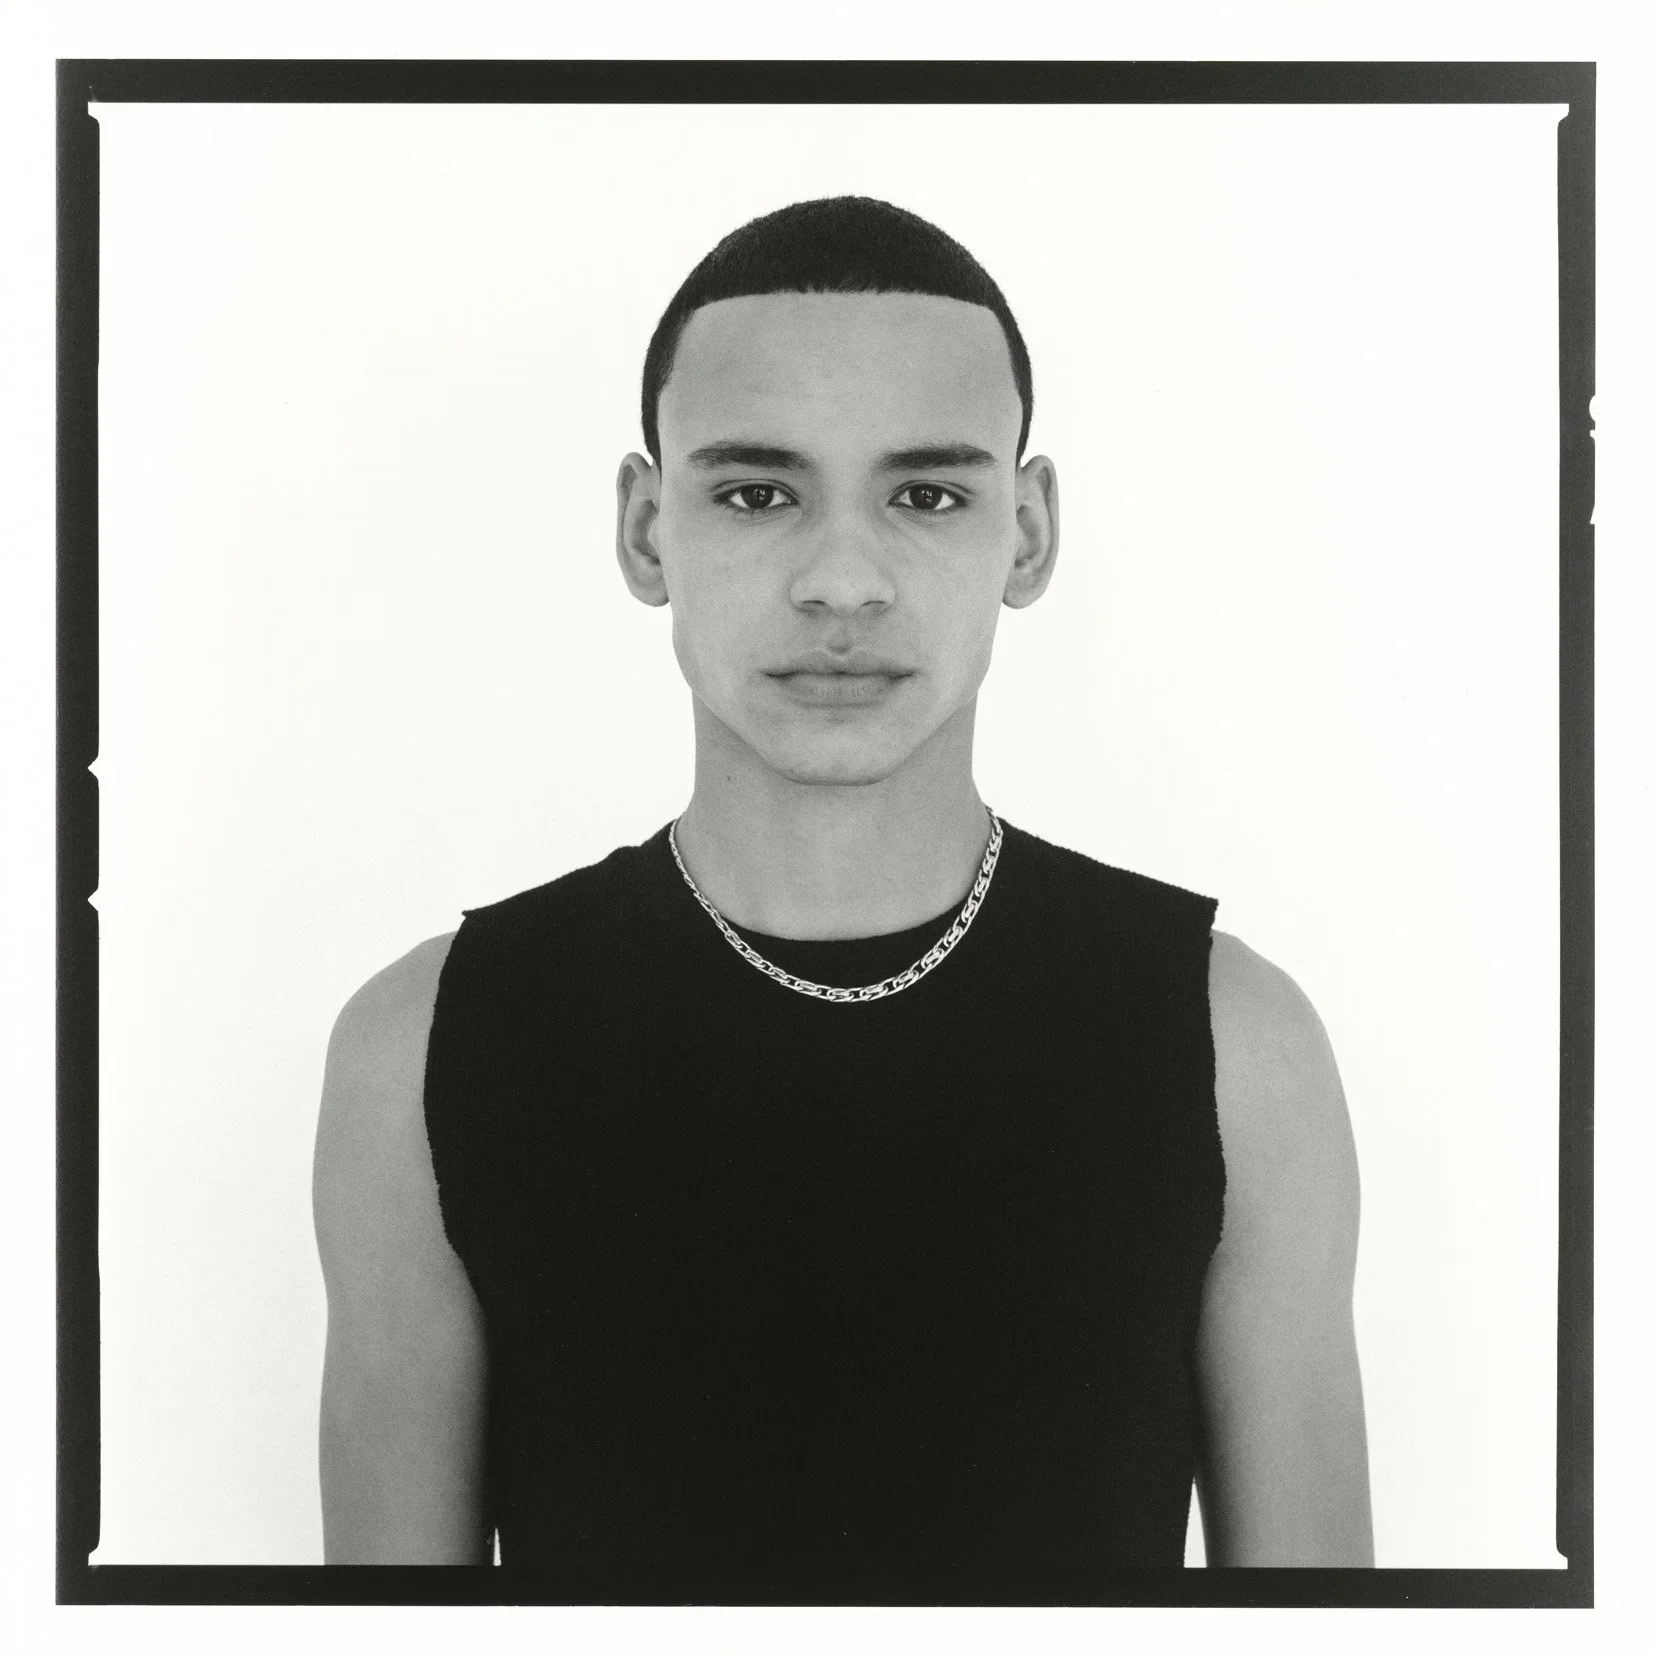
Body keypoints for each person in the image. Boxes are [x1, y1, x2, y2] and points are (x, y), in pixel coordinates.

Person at [312, 196, 1374, 1591]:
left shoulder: (1238, 1045)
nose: (841, 583)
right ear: (646, 529)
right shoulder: (423, 1047)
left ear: (1026, 532)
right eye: (758, 494)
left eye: (925, 495)